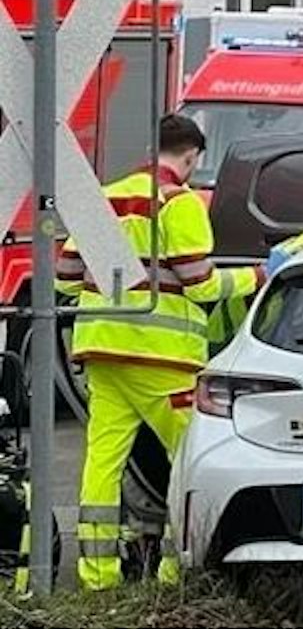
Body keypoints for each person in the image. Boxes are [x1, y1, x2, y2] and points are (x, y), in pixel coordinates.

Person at [54, 114, 263, 591]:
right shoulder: (178, 202)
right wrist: (261, 275)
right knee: (187, 461)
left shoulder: (104, 199)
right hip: (162, 357)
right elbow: (202, 285)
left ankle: (99, 577)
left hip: (103, 350)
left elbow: (64, 276)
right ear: (191, 156)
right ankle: (174, 572)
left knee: (102, 463)